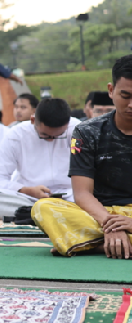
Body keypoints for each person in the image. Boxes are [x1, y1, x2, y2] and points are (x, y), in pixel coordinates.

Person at [33, 55, 132, 258]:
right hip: (100, 213)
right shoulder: (87, 131)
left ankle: (90, 244)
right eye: (126, 95)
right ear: (111, 90)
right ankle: (116, 242)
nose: (131, 105)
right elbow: (82, 194)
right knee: (43, 208)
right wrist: (110, 224)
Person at [0, 98, 77, 219]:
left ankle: (35, 216)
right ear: (33, 120)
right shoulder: (16, 134)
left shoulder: (78, 130)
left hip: (71, 196)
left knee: (92, 198)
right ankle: (46, 214)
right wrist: (26, 190)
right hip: (30, 199)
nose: (51, 140)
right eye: (45, 135)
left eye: (59, 135)